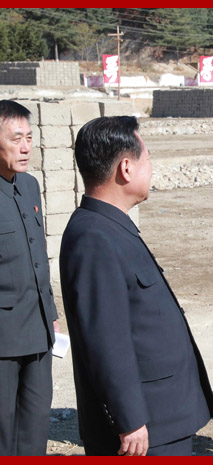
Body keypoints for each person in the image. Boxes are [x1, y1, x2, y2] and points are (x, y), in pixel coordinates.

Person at [59, 116, 213, 456]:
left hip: (161, 416)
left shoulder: (110, 226)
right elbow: (104, 340)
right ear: (126, 168)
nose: (151, 168)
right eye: (148, 159)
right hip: (143, 430)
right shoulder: (94, 237)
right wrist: (129, 420)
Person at [0, 100, 59, 456]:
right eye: (15, 138)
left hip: (38, 331)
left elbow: (37, 256)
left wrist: (49, 310)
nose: (25, 147)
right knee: (3, 431)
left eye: (29, 137)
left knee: (36, 424)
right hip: (3, 340)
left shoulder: (30, 186)